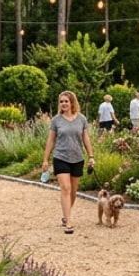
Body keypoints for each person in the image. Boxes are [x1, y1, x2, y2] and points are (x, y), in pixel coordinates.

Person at [42, 91, 94, 235]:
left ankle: (66, 215)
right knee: (65, 188)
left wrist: (91, 156)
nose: (64, 104)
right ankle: (69, 222)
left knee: (73, 191)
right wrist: (45, 159)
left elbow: (86, 138)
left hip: (77, 158)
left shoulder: (81, 119)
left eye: (66, 101)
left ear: (72, 102)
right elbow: (51, 140)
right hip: (60, 157)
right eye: (61, 101)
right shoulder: (56, 120)